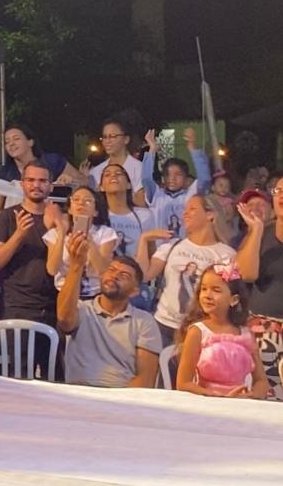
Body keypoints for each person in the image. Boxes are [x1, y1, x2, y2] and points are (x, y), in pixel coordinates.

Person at [57, 233, 161, 388]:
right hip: (80, 394)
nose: (114, 276)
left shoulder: (144, 321)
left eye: (124, 275)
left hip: (122, 398)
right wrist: (76, 265)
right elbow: (64, 320)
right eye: (111, 270)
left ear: (134, 291)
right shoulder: (82, 310)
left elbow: (146, 379)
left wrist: (119, 405)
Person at [136, 194, 236, 349]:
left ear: (210, 215)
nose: (185, 213)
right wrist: (144, 239)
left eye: (192, 209)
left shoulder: (225, 254)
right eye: (185, 209)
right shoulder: (173, 246)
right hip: (163, 325)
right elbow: (144, 275)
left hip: (199, 329)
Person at [0, 160, 60, 374]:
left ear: (51, 186)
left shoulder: (59, 216)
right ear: (22, 184)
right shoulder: (9, 216)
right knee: (18, 378)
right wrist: (19, 234)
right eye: (30, 180)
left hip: (55, 309)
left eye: (42, 181)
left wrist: (60, 226)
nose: (36, 185)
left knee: (54, 379)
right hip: (19, 308)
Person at [175, 263, 267, 398]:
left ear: (234, 299)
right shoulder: (197, 331)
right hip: (208, 404)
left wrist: (251, 396)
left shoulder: (246, 334)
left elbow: (261, 381)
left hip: (240, 404)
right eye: (203, 289)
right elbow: (183, 383)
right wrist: (219, 398)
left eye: (216, 290)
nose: (207, 295)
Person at [235, 188, 283, 399]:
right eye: (279, 190)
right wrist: (256, 230)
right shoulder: (261, 233)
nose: (282, 195)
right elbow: (245, 274)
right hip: (262, 335)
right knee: (263, 402)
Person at [97, 164, 155, 310]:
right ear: (101, 187)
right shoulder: (98, 217)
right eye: (107, 174)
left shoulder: (144, 215)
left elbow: (152, 251)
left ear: (129, 184)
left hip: (135, 287)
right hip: (104, 285)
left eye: (119, 173)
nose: (113, 176)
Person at [0, 124, 83, 215]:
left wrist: (71, 180)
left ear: (30, 142)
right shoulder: (4, 172)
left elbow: (85, 182)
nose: (11, 144)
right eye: (7, 142)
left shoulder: (52, 161)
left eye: (16, 139)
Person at [43, 186, 117, 299]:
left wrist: (88, 239)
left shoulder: (105, 233)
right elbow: (52, 269)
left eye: (87, 200)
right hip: (63, 293)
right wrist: (62, 233)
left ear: (96, 211)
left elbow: (102, 269)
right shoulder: (56, 233)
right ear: (69, 209)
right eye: (76, 200)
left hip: (95, 295)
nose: (81, 203)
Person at [141, 127, 212, 237]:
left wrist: (192, 148)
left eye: (178, 174)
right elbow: (146, 178)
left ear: (186, 178)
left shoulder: (191, 196)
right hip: (160, 250)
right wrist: (152, 150)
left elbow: (205, 179)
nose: (172, 178)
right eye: (168, 174)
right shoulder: (156, 195)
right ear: (163, 177)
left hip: (185, 249)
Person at [87, 117, 145, 204]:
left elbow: (142, 202)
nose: (107, 141)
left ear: (126, 139)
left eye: (112, 136)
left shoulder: (140, 168)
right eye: (105, 137)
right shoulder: (96, 172)